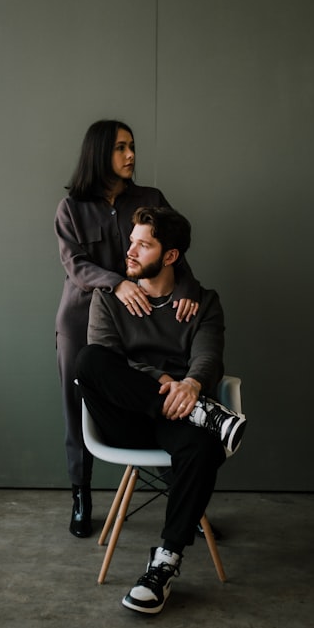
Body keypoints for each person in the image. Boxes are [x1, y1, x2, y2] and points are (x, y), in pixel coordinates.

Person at [75, 206, 246, 615]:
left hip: (176, 418)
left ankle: (164, 564)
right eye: (131, 241)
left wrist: (190, 384)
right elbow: (110, 360)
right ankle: (203, 414)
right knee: (89, 362)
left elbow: (208, 357)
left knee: (202, 449)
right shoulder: (108, 299)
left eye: (143, 245)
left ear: (170, 256)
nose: (129, 252)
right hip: (125, 418)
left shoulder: (202, 303)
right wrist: (164, 382)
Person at [54, 120, 200, 538]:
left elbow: (175, 249)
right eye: (121, 148)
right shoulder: (71, 209)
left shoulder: (150, 198)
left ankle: (181, 490)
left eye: (132, 146)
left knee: (152, 388)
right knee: (77, 402)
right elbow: (75, 265)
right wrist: (117, 282)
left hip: (143, 318)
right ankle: (81, 493)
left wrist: (187, 289)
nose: (131, 155)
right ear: (100, 153)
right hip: (82, 317)